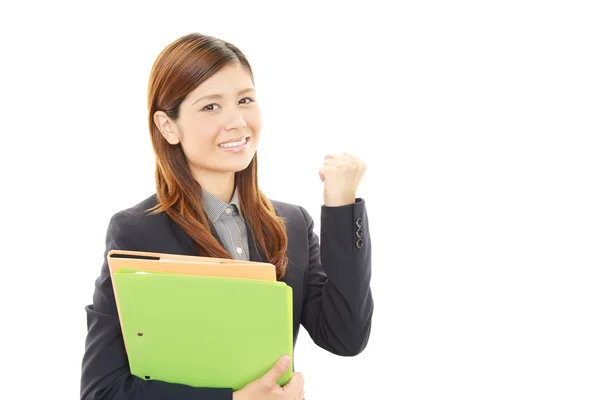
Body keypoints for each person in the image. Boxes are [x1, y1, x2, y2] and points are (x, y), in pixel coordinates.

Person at [80, 32, 374, 400]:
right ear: (168, 126)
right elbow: (102, 391)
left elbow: (345, 336)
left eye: (245, 99)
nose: (237, 121)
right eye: (210, 107)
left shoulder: (291, 224)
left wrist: (341, 207)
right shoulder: (136, 232)